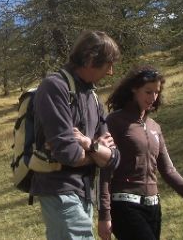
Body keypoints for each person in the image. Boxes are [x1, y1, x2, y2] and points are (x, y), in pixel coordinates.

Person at [102, 65, 183, 240]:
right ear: (134, 89)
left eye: (156, 92)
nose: (153, 98)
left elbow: (169, 171)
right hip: (124, 206)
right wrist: (104, 214)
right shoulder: (115, 121)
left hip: (153, 207)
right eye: (148, 92)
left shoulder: (155, 127)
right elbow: (105, 170)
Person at [30, 30, 122, 240]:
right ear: (90, 59)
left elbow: (114, 158)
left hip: (84, 191)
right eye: (108, 64)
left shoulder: (93, 96)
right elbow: (68, 154)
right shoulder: (55, 87)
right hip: (59, 189)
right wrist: (97, 151)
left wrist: (87, 144)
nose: (111, 72)